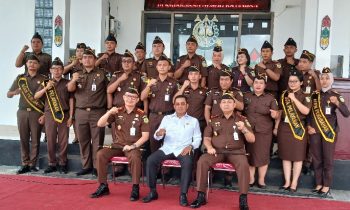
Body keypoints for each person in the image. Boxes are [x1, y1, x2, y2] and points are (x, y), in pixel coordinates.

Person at [190, 92, 255, 210]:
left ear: (234, 104)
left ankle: (243, 199)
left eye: (229, 102)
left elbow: (252, 139)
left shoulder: (242, 119)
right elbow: (207, 138)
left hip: (236, 152)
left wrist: (244, 129)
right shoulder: (213, 120)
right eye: (224, 102)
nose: (226, 104)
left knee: (244, 164)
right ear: (220, 105)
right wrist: (209, 147)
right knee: (202, 161)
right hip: (216, 151)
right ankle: (201, 195)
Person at [90, 88, 149, 200]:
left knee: (135, 158)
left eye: (133, 97)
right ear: (123, 97)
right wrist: (108, 112)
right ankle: (103, 185)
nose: (130, 99)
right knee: (100, 154)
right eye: (128, 96)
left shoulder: (142, 114)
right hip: (118, 145)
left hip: (133, 146)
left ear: (137, 100)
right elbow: (100, 124)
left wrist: (132, 146)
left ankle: (135, 187)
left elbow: (145, 136)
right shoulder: (117, 111)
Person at [142, 95, 202, 206]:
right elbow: (157, 135)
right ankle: (152, 191)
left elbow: (198, 138)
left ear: (187, 105)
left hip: (184, 149)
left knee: (188, 163)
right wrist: (159, 134)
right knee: (151, 160)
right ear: (174, 106)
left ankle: (183, 194)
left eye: (182, 104)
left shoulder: (194, 121)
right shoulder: (167, 118)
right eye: (177, 104)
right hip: (167, 148)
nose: (180, 106)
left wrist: (191, 147)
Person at [308, 67, 350, 196]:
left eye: (327, 78)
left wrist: (337, 102)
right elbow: (309, 113)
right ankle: (319, 183)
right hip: (315, 131)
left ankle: (326, 185)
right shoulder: (314, 95)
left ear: (331, 80)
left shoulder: (336, 95)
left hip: (329, 132)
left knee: (328, 159)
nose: (324, 80)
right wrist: (309, 126)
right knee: (317, 159)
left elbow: (346, 113)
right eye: (322, 78)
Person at [67, 48, 108, 176]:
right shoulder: (77, 74)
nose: (87, 59)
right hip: (81, 112)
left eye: (90, 57)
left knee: (97, 141)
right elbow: (70, 89)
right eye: (84, 57)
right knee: (83, 141)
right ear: (81, 60)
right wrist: (73, 80)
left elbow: (109, 91)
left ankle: (96, 166)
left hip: (97, 111)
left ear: (94, 59)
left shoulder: (102, 74)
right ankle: (86, 166)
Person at [7, 54, 46, 174]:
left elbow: (47, 99)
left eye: (34, 63)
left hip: (36, 112)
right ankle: (25, 163)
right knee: (23, 138)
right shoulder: (20, 78)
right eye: (30, 62)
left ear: (38, 65)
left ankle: (33, 164)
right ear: (26, 64)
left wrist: (44, 114)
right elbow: (8, 94)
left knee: (35, 139)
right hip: (23, 112)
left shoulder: (44, 79)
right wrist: (15, 92)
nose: (32, 65)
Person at [34, 57, 74, 174]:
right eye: (54, 69)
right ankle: (52, 163)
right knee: (50, 139)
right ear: (50, 70)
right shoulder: (45, 83)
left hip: (64, 114)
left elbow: (72, 100)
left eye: (59, 69)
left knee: (63, 140)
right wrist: (46, 88)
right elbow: (36, 96)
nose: (56, 71)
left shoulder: (67, 83)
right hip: (50, 114)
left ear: (62, 70)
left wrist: (71, 117)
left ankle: (63, 163)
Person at [275, 69, 311, 192]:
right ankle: (286, 182)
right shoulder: (284, 94)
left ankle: (294, 183)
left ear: (301, 82)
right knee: (285, 156)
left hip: (298, 128)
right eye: (290, 81)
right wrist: (276, 126)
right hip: (284, 128)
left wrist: (294, 99)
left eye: (295, 81)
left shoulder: (306, 96)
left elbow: (306, 111)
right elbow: (280, 111)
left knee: (297, 157)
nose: (292, 84)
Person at [243, 76, 279, 188]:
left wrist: (275, 115)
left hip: (264, 131)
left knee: (263, 156)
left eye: (261, 83)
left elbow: (277, 114)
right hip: (248, 131)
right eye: (256, 82)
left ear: (265, 85)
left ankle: (261, 180)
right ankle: (251, 179)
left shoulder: (270, 98)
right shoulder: (246, 96)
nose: (258, 85)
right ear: (252, 84)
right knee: (249, 154)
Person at [140, 54, 179, 153]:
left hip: (169, 116)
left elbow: (177, 101)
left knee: (169, 142)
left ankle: (166, 169)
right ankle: (156, 167)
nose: (162, 67)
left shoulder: (174, 83)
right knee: (154, 143)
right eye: (160, 65)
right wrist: (149, 85)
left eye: (164, 65)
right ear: (157, 67)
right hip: (154, 116)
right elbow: (142, 97)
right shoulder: (151, 82)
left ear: (169, 67)